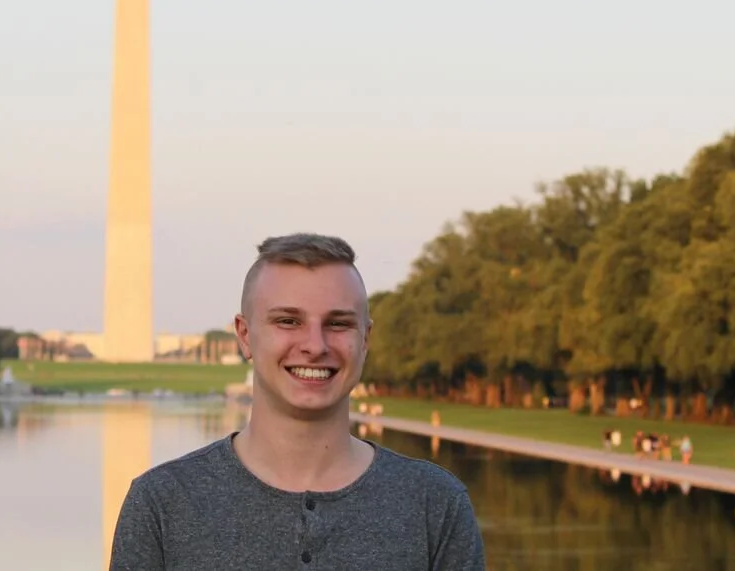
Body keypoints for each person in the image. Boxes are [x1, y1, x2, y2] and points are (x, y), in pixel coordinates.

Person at [109, 233, 486, 570]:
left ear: (365, 339)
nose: (315, 346)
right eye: (288, 321)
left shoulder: (436, 504)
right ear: (244, 335)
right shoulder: (162, 504)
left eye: (338, 323)